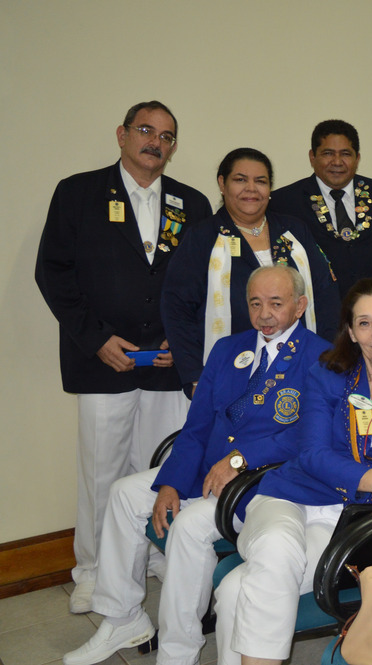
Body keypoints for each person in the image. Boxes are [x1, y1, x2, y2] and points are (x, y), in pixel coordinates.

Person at [62, 265, 330, 665]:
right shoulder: (228, 349)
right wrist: (171, 482)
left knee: (189, 530)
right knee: (124, 493)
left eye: (276, 303)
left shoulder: (322, 357)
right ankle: (123, 617)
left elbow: (307, 437)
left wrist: (238, 460)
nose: (264, 314)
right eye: (255, 303)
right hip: (207, 469)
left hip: (260, 481)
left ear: (300, 305)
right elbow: (197, 426)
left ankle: (179, 649)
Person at [213, 278, 372, 665]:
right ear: (351, 333)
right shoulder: (325, 376)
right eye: (364, 323)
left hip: (348, 520)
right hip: (288, 494)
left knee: (241, 588)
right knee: (277, 547)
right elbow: (313, 455)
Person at [35, 100, 212, 613]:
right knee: (102, 475)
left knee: (159, 469)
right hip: (102, 360)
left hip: (164, 363)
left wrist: (179, 345)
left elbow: (201, 284)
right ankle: (91, 571)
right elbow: (55, 273)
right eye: (145, 130)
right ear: (122, 134)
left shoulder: (191, 202)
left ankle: (152, 556)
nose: (155, 142)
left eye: (166, 136)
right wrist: (96, 339)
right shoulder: (78, 193)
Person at [162, 148, 340, 396]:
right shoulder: (202, 237)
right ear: (222, 184)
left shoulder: (295, 232)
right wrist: (194, 376)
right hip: (227, 377)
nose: (251, 189)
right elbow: (177, 309)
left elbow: (326, 297)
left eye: (261, 181)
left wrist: (327, 358)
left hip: (301, 373)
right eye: (240, 179)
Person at [269, 119, 372, 298]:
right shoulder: (285, 202)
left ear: (357, 158)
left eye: (345, 154)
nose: (337, 162)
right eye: (328, 153)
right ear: (312, 157)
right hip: (316, 309)